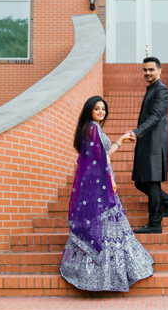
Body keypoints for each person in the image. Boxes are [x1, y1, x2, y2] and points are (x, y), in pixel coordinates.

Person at [60, 95, 154, 292]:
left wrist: (120, 139)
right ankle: (107, 274)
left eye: (103, 108)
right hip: (100, 181)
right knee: (107, 221)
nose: (101, 112)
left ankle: (93, 274)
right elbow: (101, 158)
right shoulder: (93, 127)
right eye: (97, 109)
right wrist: (110, 179)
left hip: (97, 179)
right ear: (89, 111)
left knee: (101, 222)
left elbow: (105, 153)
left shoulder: (91, 128)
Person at [128, 57, 168, 234]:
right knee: (140, 182)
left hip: (154, 144)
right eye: (145, 70)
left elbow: (157, 116)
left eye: (151, 69)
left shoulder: (161, 90)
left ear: (160, 70)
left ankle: (155, 222)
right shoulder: (151, 89)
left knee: (151, 183)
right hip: (146, 142)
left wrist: (137, 131)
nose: (148, 73)